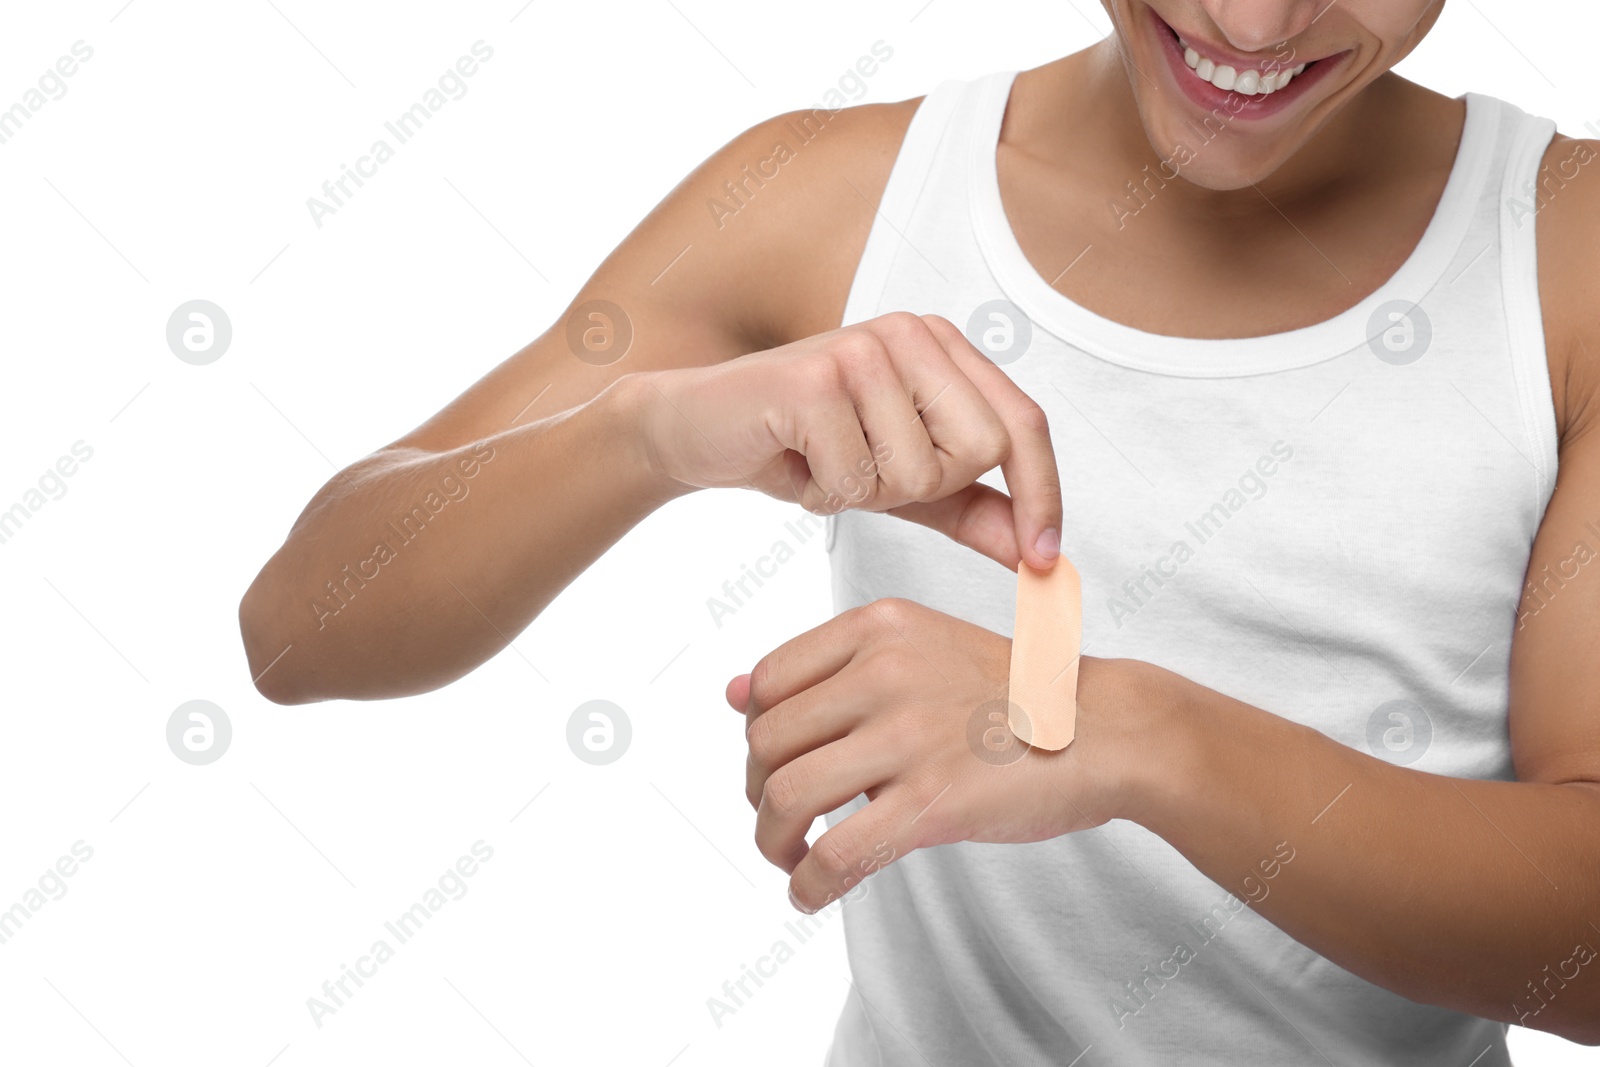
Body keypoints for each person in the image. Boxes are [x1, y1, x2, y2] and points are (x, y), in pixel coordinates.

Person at [239, 1, 1600, 1061]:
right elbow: (299, 630)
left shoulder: (1566, 255)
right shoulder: (824, 198)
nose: (1251, 29)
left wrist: (1134, 736)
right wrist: (645, 431)